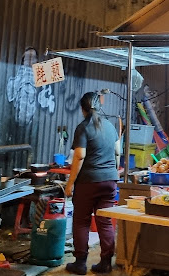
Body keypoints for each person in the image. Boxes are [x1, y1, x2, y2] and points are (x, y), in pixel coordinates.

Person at [64, 91, 120, 274]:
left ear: (83, 109)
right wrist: (112, 171)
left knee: (81, 222)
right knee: (104, 222)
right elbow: (117, 153)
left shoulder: (83, 127)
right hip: (110, 181)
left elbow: (79, 156)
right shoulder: (111, 127)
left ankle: (80, 263)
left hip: (88, 182)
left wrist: (70, 183)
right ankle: (105, 263)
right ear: (99, 107)